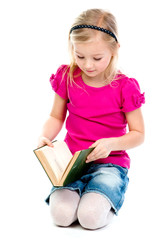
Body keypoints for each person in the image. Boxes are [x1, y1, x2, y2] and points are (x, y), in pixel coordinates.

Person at [37, 9, 145, 230]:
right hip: (72, 163)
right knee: (60, 216)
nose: (87, 65)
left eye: (97, 58)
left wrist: (111, 143)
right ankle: (86, 195)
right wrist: (44, 137)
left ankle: (103, 199)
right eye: (80, 56)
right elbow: (55, 116)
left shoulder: (125, 86)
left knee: (90, 219)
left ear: (114, 50)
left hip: (110, 165)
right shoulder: (67, 77)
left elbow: (139, 134)